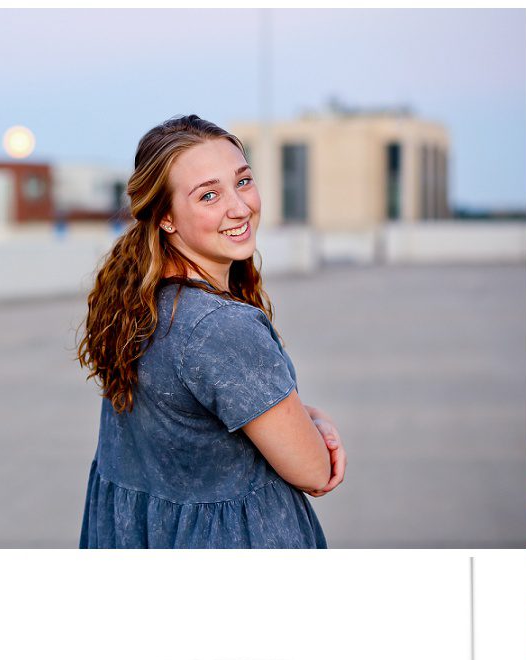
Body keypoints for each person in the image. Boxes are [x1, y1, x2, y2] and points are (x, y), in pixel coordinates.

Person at [77, 115, 344, 548]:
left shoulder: (136, 305)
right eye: (208, 195)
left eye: (243, 181)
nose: (239, 208)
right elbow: (314, 471)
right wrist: (320, 422)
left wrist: (302, 417)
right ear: (165, 217)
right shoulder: (219, 328)